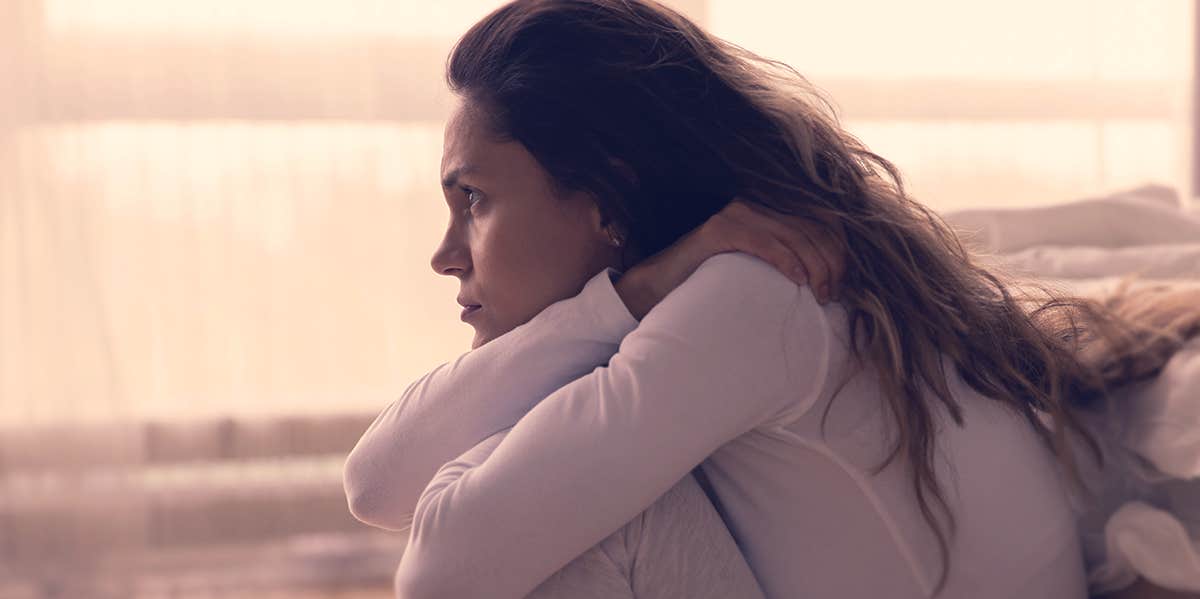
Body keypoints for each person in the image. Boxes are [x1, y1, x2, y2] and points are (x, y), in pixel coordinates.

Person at [342, 1, 1195, 597]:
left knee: (575, 526)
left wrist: (627, 302)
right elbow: (376, 482)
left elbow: (440, 571)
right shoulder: (728, 290)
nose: (445, 254)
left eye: (474, 200)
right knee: (543, 485)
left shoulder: (753, 298)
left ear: (606, 199)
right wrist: (629, 294)